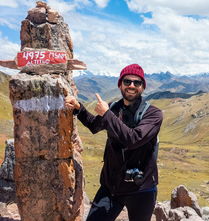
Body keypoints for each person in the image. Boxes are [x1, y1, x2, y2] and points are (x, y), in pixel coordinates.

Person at [65, 63, 163, 221]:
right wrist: (79, 108)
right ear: (120, 85)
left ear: (143, 87)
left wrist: (107, 114)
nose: (131, 86)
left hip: (142, 189)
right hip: (111, 187)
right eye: (127, 81)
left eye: (137, 82)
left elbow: (133, 139)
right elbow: (94, 126)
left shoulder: (153, 114)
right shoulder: (113, 108)